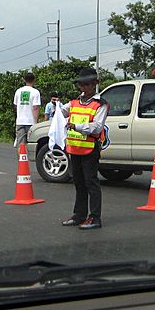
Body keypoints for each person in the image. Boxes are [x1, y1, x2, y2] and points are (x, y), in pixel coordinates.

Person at [59, 68, 109, 230]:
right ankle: (79, 215)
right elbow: (61, 112)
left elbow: (96, 127)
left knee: (91, 183)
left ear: (95, 84)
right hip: (74, 149)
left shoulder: (101, 104)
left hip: (89, 150)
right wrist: (55, 106)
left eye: (87, 84)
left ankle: (94, 217)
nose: (84, 87)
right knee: (79, 183)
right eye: (81, 84)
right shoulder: (73, 103)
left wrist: (76, 126)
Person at [12, 72, 41, 149]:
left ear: (24, 80)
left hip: (20, 121)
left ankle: (21, 160)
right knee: (32, 143)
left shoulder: (18, 91)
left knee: (20, 144)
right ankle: (28, 159)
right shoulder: (35, 92)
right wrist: (36, 122)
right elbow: (36, 108)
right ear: (34, 80)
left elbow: (15, 106)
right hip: (31, 122)